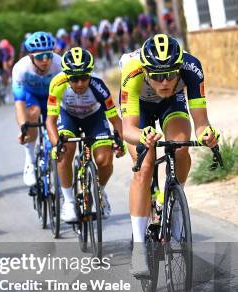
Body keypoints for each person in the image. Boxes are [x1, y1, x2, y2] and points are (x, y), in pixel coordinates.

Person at [119, 34, 219, 278]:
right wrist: (142, 137)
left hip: (172, 104)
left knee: (181, 146)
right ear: (146, 71)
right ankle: (139, 250)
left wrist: (208, 134)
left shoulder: (192, 68)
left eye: (171, 75)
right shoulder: (132, 70)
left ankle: (173, 203)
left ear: (179, 68)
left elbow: (201, 122)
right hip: (139, 111)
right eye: (157, 76)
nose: (164, 82)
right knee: (144, 166)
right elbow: (127, 129)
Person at [46, 47, 125, 222]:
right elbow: (50, 121)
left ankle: (100, 191)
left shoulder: (99, 85)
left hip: (94, 118)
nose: (80, 83)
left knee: (105, 159)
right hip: (69, 118)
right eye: (74, 79)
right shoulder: (57, 84)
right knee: (64, 151)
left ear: (90, 74)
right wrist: (55, 143)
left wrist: (119, 141)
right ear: (67, 76)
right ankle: (68, 202)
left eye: (84, 77)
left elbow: (115, 119)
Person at [12, 31, 62, 187]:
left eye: (48, 55)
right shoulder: (21, 68)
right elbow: (19, 102)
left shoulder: (59, 64)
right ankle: (30, 160)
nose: (45, 60)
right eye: (40, 57)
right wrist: (23, 127)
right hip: (31, 96)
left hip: (52, 97)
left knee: (58, 126)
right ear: (31, 56)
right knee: (32, 114)